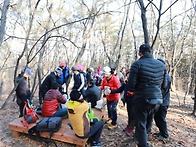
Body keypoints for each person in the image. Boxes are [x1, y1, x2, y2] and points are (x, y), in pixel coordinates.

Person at [127, 44, 167, 147]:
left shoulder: (137, 64)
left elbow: (131, 85)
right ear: (151, 52)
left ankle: (143, 144)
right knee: (149, 120)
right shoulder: (162, 65)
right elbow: (164, 85)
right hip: (157, 99)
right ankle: (144, 142)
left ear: (140, 53)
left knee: (141, 124)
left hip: (142, 99)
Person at [108, 71, 135, 136]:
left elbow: (139, 91)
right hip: (128, 100)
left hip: (134, 101)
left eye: (130, 75)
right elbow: (119, 90)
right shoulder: (126, 83)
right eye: (127, 75)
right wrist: (111, 91)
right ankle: (129, 126)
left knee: (133, 115)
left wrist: (133, 93)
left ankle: (131, 128)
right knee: (129, 114)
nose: (128, 76)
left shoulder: (135, 83)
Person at [153, 59, 171, 140]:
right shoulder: (163, 75)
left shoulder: (166, 77)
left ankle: (165, 135)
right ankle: (162, 132)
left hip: (163, 102)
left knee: (161, 118)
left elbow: (162, 90)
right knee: (157, 118)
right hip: (161, 101)